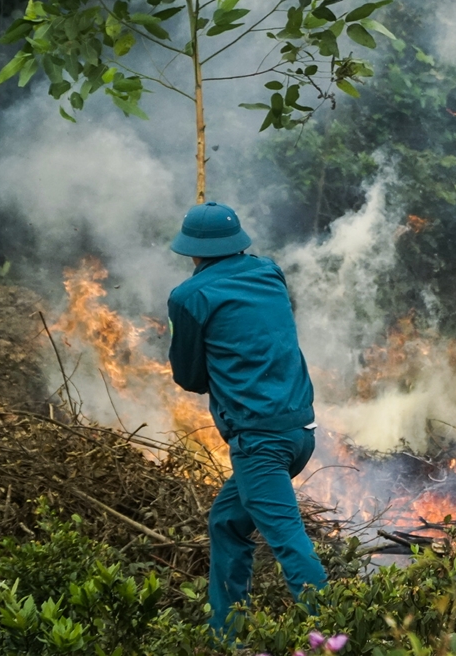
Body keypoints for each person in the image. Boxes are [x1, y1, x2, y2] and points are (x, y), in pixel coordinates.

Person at [166, 201, 327, 632]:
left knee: (288, 541)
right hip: (301, 432)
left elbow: (189, 377)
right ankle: (227, 634)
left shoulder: (188, 297)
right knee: (226, 522)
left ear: (191, 250)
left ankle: (337, 634)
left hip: (260, 443)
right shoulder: (269, 271)